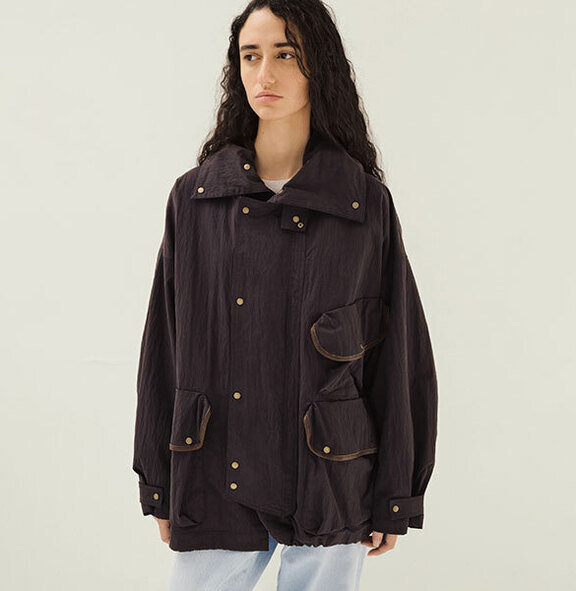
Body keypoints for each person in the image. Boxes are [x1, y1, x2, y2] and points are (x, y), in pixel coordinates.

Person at [132, 1, 438, 589]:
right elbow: (163, 349)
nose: (264, 74)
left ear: (317, 65)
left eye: (285, 54)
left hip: (329, 479)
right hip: (214, 472)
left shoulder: (361, 204)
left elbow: (400, 358)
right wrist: (158, 482)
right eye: (251, 56)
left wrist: (396, 492)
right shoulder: (196, 200)